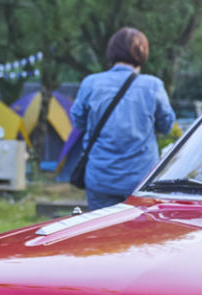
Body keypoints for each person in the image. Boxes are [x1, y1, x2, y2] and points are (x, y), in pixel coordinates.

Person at [70, 27, 176, 210]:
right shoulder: (153, 86)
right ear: (142, 53)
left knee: (102, 232)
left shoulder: (91, 83)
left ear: (111, 51)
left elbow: (78, 122)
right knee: (138, 234)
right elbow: (166, 125)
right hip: (140, 179)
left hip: (100, 177)